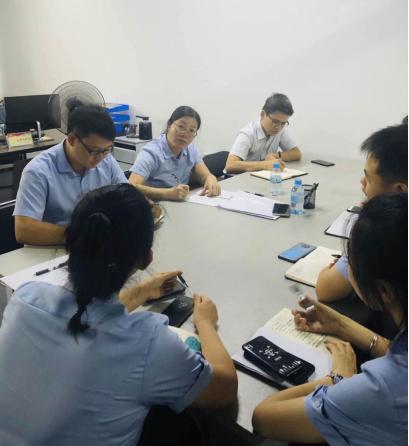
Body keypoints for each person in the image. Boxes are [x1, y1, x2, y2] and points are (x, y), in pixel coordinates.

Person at [0, 183, 237, 445]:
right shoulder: (149, 344)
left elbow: (88, 315)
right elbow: (224, 389)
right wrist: (205, 323)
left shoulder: (25, 298)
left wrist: (141, 292)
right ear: (146, 258)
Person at [252, 192, 407, 445]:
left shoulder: (383, 389)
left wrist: (337, 378)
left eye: (348, 260)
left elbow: (263, 418)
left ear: (383, 291)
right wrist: (341, 324)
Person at [316, 122, 408, 303]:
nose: (362, 182)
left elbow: (326, 289)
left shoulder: (384, 231)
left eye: (369, 178)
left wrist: (353, 255)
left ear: (399, 190)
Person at [14, 103, 128, 246]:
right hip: (51, 249)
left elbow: (126, 195)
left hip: (96, 245)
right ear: (72, 139)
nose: (100, 157)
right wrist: (81, 235)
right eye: (94, 151)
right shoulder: (38, 171)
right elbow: (24, 230)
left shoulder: (107, 160)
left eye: (107, 149)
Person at [129, 106, 220, 201]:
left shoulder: (191, 149)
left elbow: (204, 175)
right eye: (181, 127)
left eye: (192, 130)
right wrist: (166, 194)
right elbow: (131, 186)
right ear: (169, 125)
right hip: (155, 205)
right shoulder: (151, 152)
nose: (185, 134)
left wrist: (210, 178)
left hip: (181, 204)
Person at [225, 93, 301, 174]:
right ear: (262, 115)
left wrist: (275, 155)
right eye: (275, 121)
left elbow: (296, 153)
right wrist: (264, 165)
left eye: (283, 123)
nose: (279, 127)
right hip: (239, 178)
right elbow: (230, 165)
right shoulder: (247, 134)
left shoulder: (279, 130)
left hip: (262, 177)